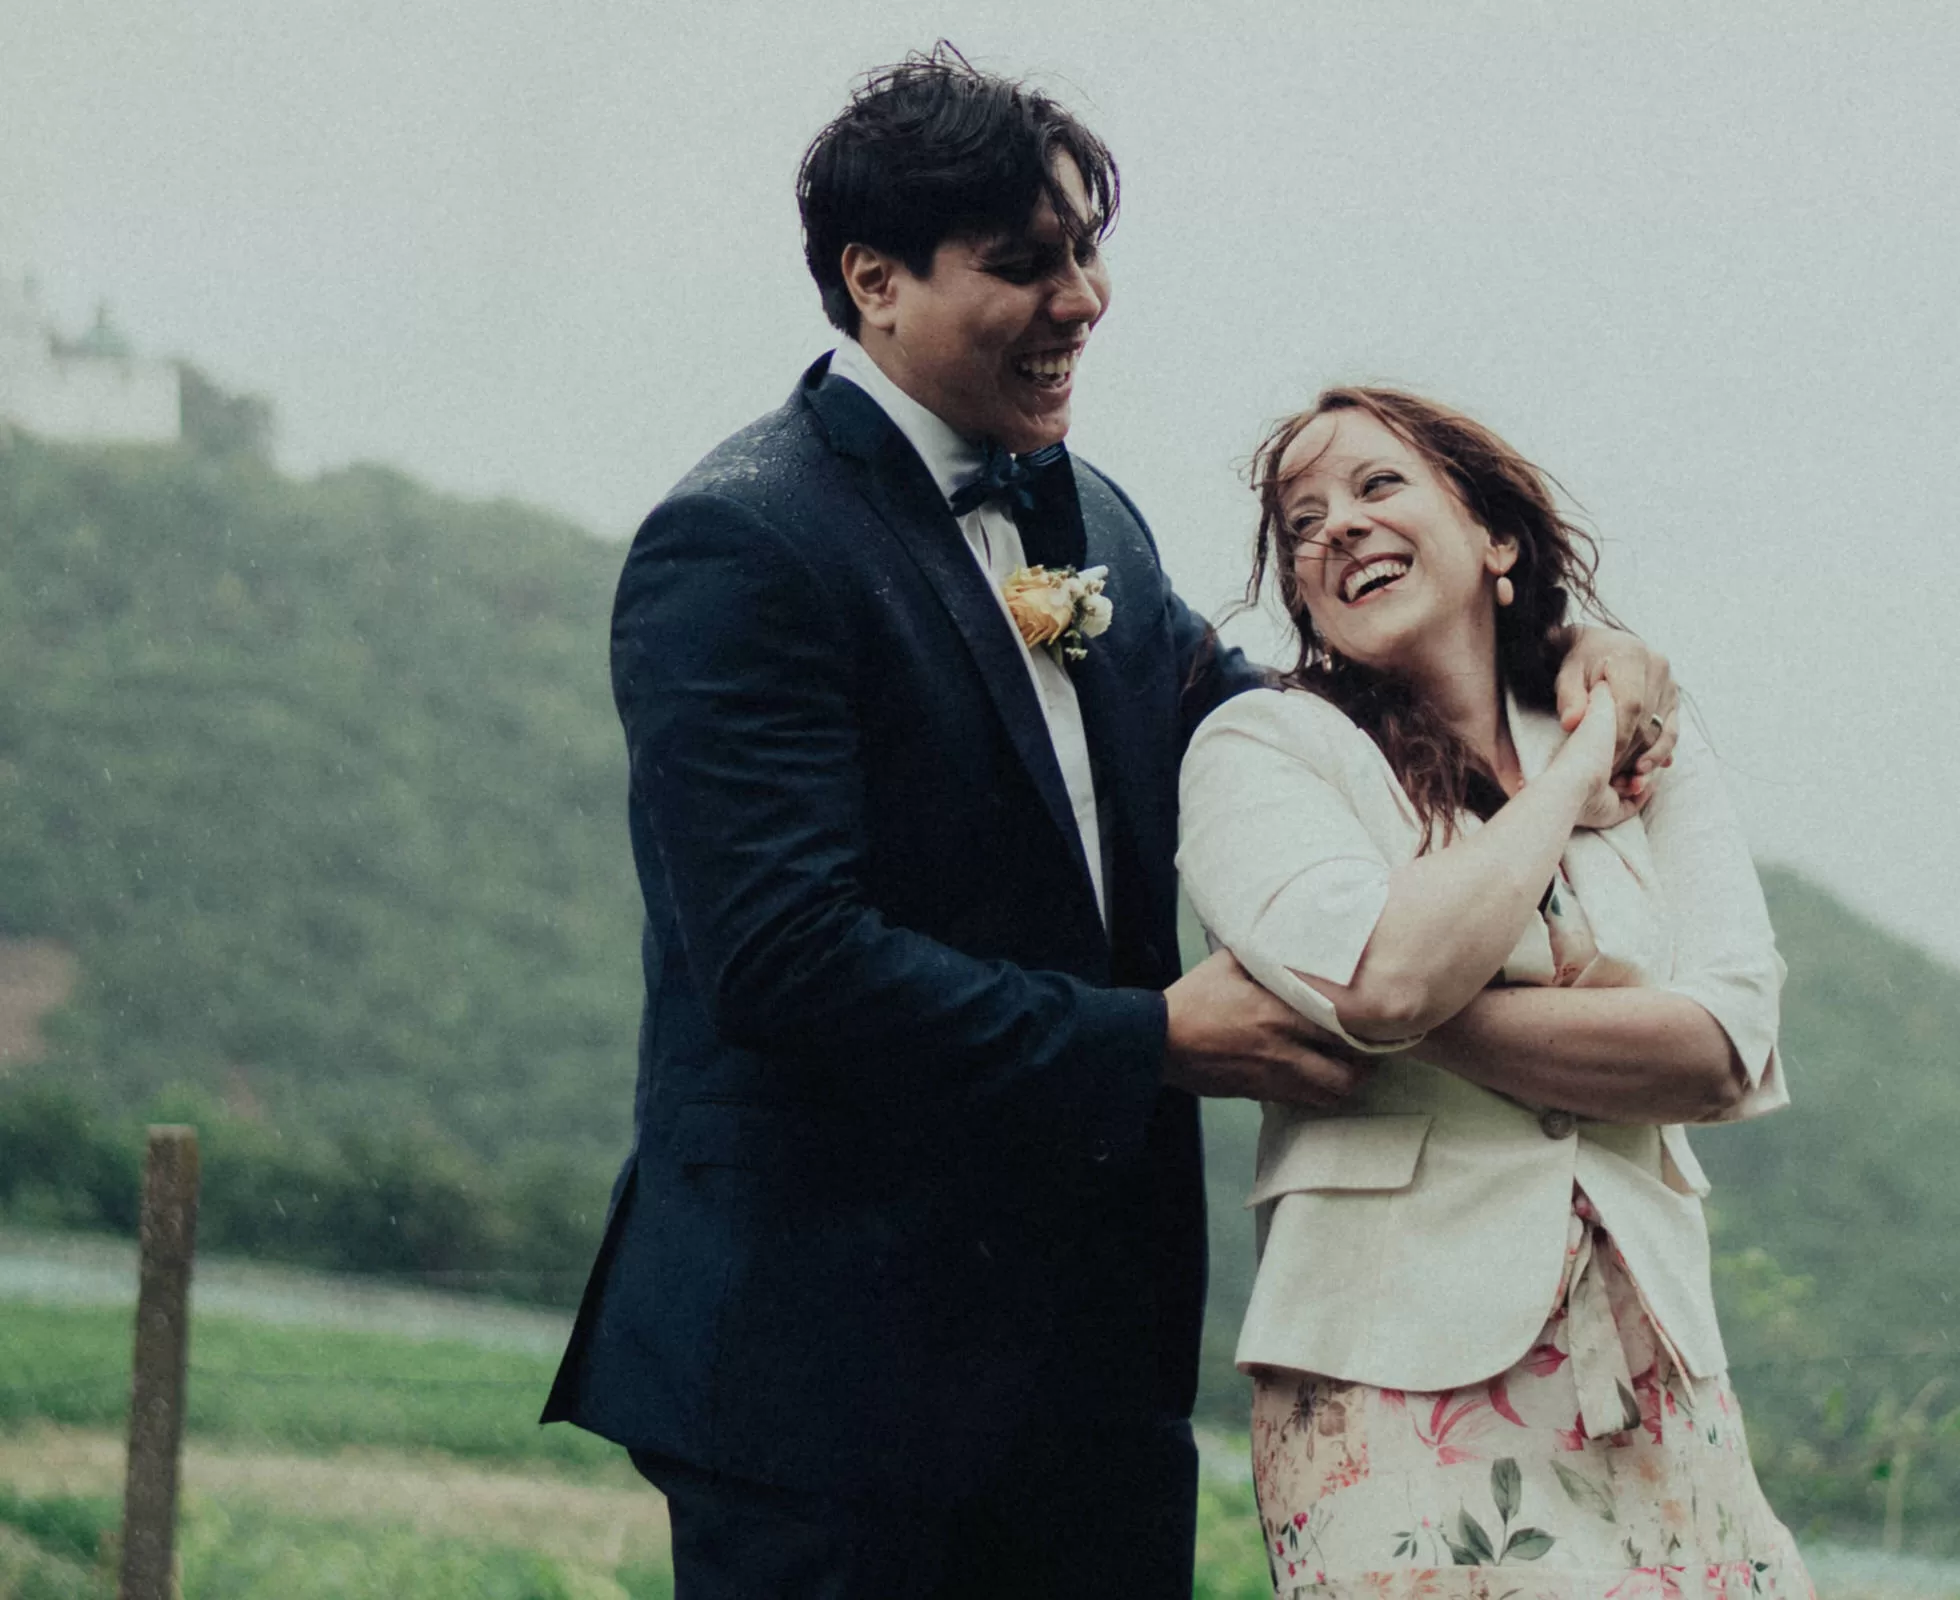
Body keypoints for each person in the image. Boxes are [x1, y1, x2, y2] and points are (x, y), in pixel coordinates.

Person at [540, 50, 1680, 1600]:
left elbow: (1278, 728)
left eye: (1086, 251)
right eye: (1025, 263)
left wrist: (1558, 659)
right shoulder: (741, 546)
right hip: (827, 1379)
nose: (1081, 299)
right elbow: (784, 962)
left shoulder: (1097, 519)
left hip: (1087, 1377)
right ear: (874, 281)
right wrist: (1149, 1040)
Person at [1177, 387, 1811, 1598]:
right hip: (1389, 1377)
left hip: (1654, 1372)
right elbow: (1383, 974)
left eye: (1377, 488)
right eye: (1301, 524)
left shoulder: (1650, 735)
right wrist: (1574, 776)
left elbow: (1724, 1046)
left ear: (1494, 537)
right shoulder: (1265, 750)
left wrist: (1403, 1008)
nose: (1338, 530)